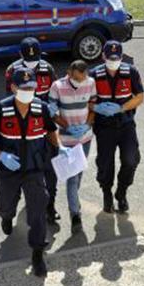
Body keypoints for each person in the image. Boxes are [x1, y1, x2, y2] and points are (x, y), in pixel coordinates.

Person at [0, 67, 71, 277]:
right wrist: (1, 155)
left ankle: (38, 254)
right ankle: (6, 216)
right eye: (24, 88)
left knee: (38, 208)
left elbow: (50, 131)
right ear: (13, 87)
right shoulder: (0, 110)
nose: (29, 91)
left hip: (34, 169)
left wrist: (59, 148)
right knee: (6, 201)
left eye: (32, 87)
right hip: (8, 171)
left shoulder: (41, 108)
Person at [4, 38, 61, 227]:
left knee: (50, 173)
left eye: (35, 59)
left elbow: (54, 92)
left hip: (45, 129)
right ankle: (13, 209)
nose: (32, 63)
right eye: (28, 60)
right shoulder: (12, 71)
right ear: (20, 55)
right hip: (23, 133)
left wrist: (53, 107)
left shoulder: (47, 68)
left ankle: (50, 207)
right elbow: (10, 99)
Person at [90, 40, 144, 214]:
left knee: (131, 159)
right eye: (110, 57)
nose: (113, 61)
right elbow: (86, 101)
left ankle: (121, 193)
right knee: (105, 164)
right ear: (103, 56)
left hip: (126, 124)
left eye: (117, 57)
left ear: (121, 57)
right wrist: (96, 108)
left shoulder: (131, 72)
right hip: (104, 126)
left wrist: (121, 108)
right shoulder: (94, 75)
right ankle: (107, 193)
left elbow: (140, 97)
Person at [48, 60, 97, 234]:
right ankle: (75, 214)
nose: (81, 82)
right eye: (77, 79)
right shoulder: (57, 87)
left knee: (79, 174)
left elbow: (92, 107)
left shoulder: (90, 83)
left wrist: (87, 126)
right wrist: (67, 126)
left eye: (83, 78)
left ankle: (73, 200)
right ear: (69, 73)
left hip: (84, 138)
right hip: (67, 140)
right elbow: (51, 112)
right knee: (72, 177)